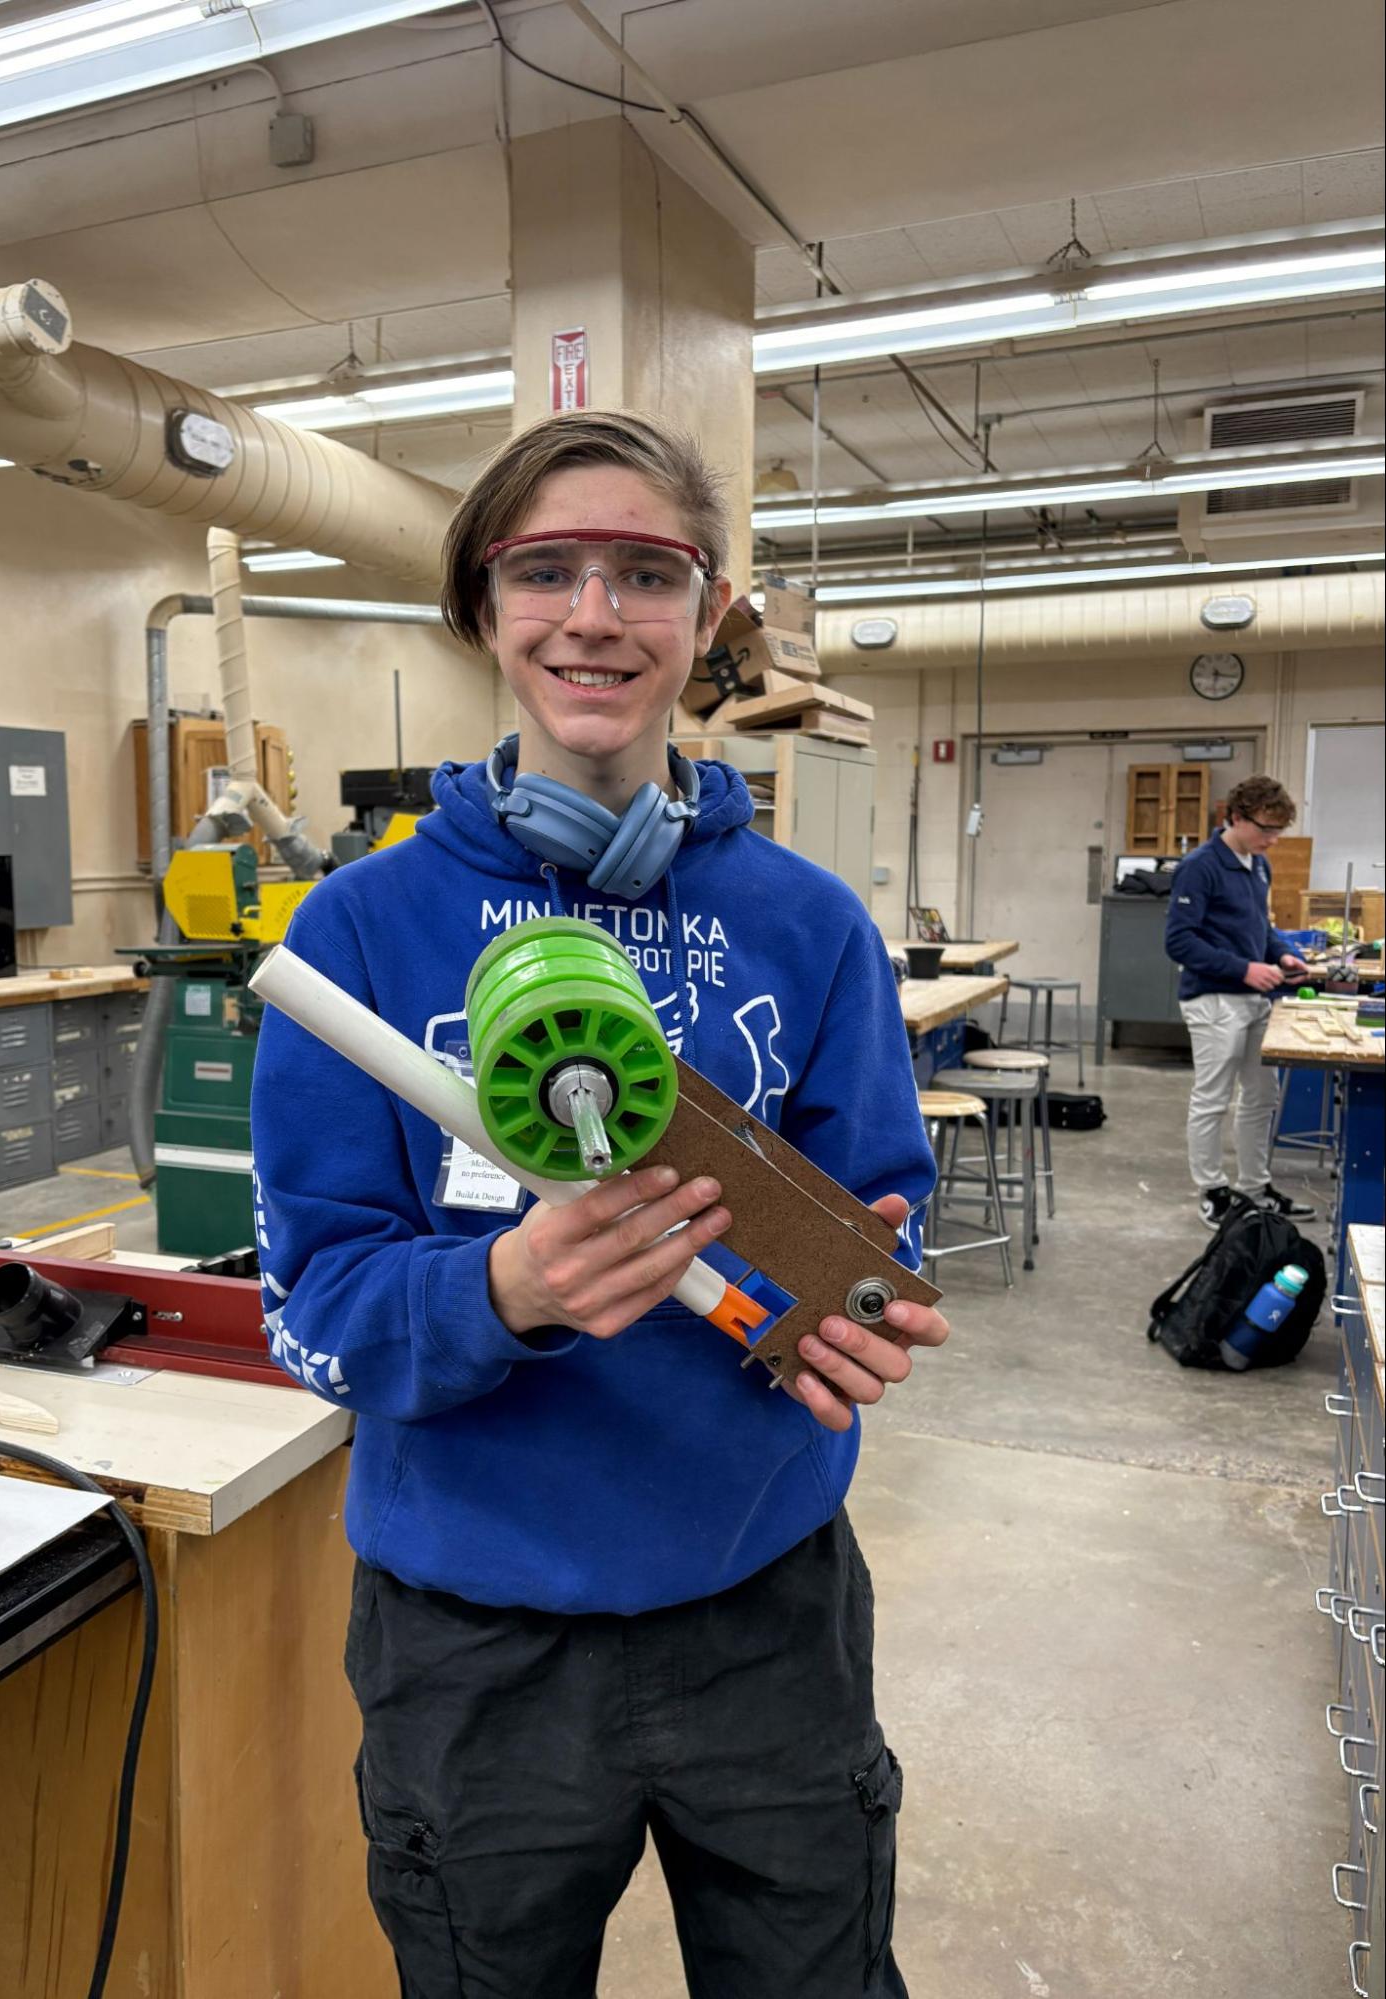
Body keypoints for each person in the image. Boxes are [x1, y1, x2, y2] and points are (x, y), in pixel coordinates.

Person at [250, 410, 945, 1999]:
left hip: (764, 1601)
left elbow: (873, 1216)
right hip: (473, 1639)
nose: (595, 612)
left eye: (647, 572)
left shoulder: (809, 924)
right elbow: (313, 1309)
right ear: (486, 611)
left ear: (706, 616)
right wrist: (508, 1289)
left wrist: (861, 1305)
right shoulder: (356, 935)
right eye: (546, 567)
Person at [1165, 774, 1315, 1229]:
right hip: (1214, 1001)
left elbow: (1259, 927)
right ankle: (1212, 1190)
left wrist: (1280, 953)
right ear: (1235, 816)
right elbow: (1179, 941)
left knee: (1261, 1098)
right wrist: (1243, 968)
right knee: (1213, 1099)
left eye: (1277, 831)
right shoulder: (1202, 865)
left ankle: (1254, 1186)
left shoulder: (1258, 865)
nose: (1272, 839)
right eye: (1265, 829)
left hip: (1255, 999)